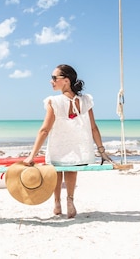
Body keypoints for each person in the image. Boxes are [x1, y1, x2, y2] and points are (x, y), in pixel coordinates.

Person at [23, 64, 113, 218]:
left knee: (56, 172)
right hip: (77, 149)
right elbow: (94, 128)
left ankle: (57, 203)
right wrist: (101, 151)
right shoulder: (85, 100)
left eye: (54, 78)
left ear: (66, 80)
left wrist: (32, 155)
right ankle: (70, 201)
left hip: (58, 146)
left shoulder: (54, 101)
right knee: (71, 170)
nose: (51, 81)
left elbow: (45, 130)